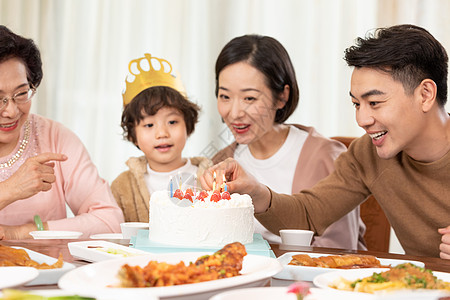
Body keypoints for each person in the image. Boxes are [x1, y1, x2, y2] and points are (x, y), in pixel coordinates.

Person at [201, 24, 450, 259]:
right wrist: (256, 192)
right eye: (356, 104)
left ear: (425, 94)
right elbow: (309, 215)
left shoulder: (326, 150)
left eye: (374, 103)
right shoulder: (367, 154)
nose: (362, 119)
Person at [211, 34, 366, 250]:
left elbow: (339, 251)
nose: (235, 113)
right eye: (225, 96)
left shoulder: (325, 156)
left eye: (250, 98)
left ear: (282, 97)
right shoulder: (221, 162)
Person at [0, 26, 124, 239]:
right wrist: (10, 190)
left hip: (47, 271)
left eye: (21, 93)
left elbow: (110, 221)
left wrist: (22, 233)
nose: (11, 111)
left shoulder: (54, 137)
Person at [111, 53, 212, 222]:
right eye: (149, 125)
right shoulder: (122, 186)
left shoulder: (209, 178)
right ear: (133, 136)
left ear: (188, 126)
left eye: (172, 122)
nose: (162, 133)